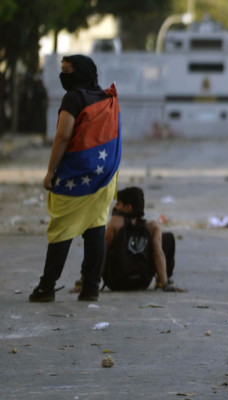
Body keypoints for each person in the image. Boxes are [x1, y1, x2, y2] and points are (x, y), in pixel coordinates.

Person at [29, 55, 121, 302]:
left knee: (61, 229)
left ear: (79, 73)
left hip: (76, 176)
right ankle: (90, 288)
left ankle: (46, 288)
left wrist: (50, 171)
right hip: (104, 175)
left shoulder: (74, 98)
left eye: (67, 70)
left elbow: (63, 136)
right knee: (95, 228)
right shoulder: (105, 97)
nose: (63, 75)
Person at [103, 186, 183, 292]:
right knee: (167, 238)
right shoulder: (152, 226)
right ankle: (163, 280)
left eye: (118, 204)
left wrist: (87, 282)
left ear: (128, 208)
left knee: (97, 242)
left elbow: (102, 252)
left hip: (116, 282)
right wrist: (165, 285)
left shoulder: (115, 222)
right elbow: (158, 253)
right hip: (142, 281)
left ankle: (88, 281)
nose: (115, 207)